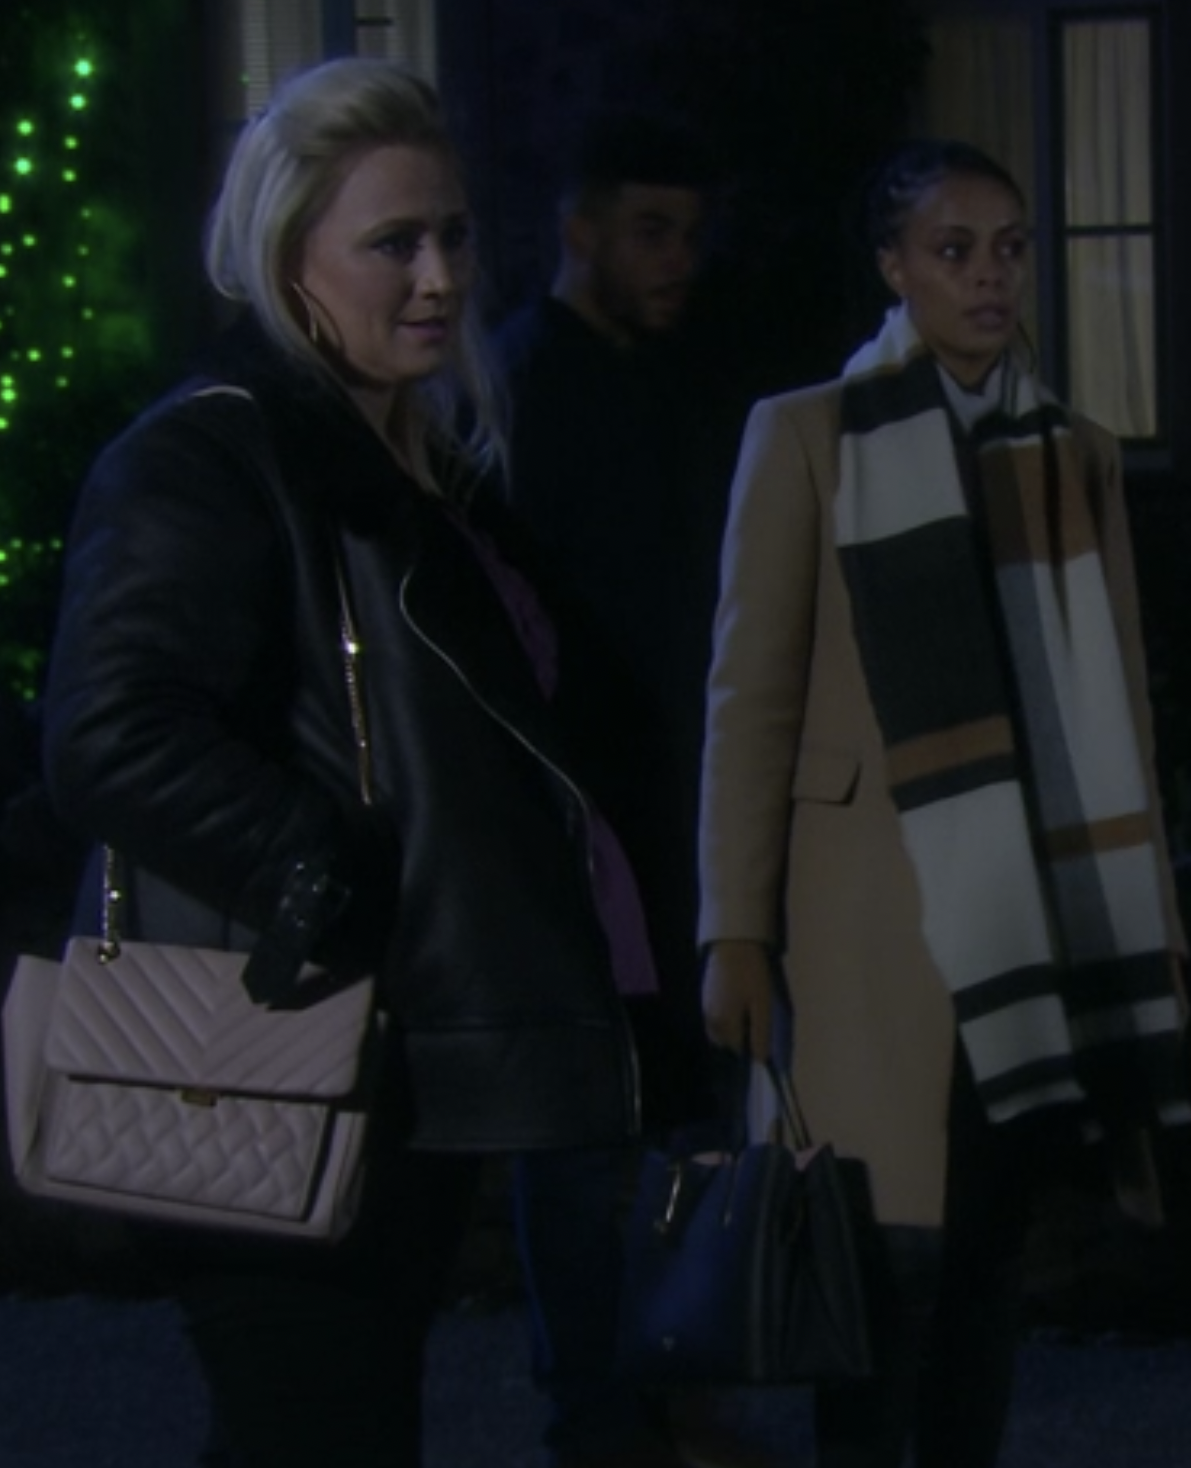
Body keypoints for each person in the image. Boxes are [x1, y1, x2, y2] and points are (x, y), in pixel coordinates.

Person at [39, 59, 649, 1468]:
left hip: (388, 1060)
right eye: (393, 243)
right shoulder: (212, 453)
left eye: (453, 236)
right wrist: (329, 873)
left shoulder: (425, 472)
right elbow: (108, 729)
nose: (439, 277)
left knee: (340, 1429)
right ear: (287, 256)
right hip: (265, 1051)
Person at [696, 138, 1191, 1468]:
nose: (988, 276)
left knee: (987, 1255)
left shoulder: (1073, 453)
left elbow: (1123, 715)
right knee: (870, 1271)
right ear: (893, 267)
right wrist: (731, 927)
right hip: (864, 926)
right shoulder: (809, 436)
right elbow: (750, 700)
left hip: (1032, 921)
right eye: (953, 249)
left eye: (1008, 248)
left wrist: (1153, 921)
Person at [491, 111, 727, 1468]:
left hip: (664, 807)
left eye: (686, 233)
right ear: (579, 232)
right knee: (586, 1133)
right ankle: (599, 1417)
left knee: (666, 1119)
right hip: (585, 819)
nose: (675, 258)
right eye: (649, 231)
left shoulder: (658, 384)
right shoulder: (529, 386)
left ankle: (659, 1399)